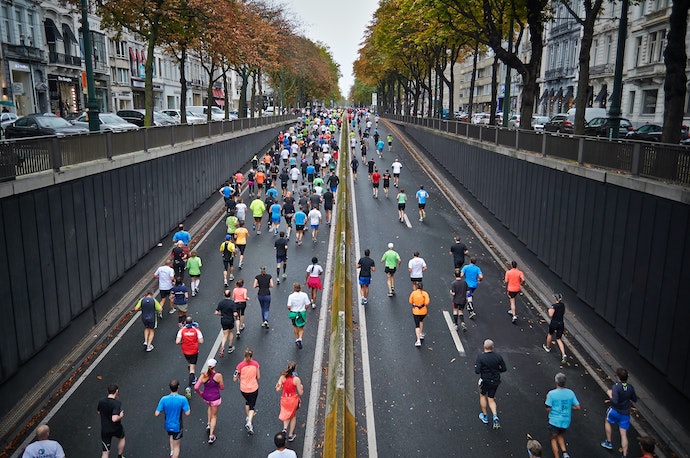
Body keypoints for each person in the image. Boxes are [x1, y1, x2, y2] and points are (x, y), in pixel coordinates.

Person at [601, 368, 638, 457]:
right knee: (623, 434)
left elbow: (615, 401)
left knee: (607, 421)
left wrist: (610, 393)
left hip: (615, 410)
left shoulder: (616, 387)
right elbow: (635, 399)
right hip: (625, 414)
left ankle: (608, 442)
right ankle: (624, 455)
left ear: (617, 377)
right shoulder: (630, 387)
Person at [545, 373, 581, 458]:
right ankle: (565, 453)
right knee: (560, 434)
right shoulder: (570, 393)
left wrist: (547, 399)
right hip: (565, 421)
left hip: (554, 421)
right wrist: (568, 407)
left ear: (556, 382)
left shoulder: (551, 394)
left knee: (553, 438)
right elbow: (578, 407)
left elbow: (547, 408)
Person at [475, 339, 507, 430]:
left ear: (484, 346)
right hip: (495, 380)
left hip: (485, 380)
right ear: (493, 347)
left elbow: (477, 371)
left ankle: (485, 416)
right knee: (491, 399)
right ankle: (495, 416)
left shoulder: (480, 357)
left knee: (482, 396)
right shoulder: (498, 357)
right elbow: (504, 369)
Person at [155, 380, 191, 458]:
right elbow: (187, 413)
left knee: (171, 436)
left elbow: (156, 413)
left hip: (168, 424)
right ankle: (174, 454)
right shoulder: (182, 399)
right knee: (177, 447)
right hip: (177, 426)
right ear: (178, 387)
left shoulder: (163, 399)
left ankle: (171, 452)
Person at [194, 359, 224, 444]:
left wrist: (201, 393)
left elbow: (196, 387)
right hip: (215, 398)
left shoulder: (203, 375)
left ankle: (208, 423)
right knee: (214, 416)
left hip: (206, 398)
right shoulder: (218, 376)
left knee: (209, 407)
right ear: (215, 366)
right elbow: (222, 387)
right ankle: (211, 436)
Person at [276, 361, 305, 443]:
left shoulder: (282, 377)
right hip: (293, 400)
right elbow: (301, 392)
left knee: (286, 414)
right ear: (295, 369)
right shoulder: (296, 379)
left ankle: (285, 429)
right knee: (293, 415)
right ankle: (290, 435)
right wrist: (301, 386)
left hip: (284, 399)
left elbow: (278, 389)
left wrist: (280, 386)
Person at [176, 316, 204, 399]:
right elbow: (201, 341)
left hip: (185, 351)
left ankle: (193, 377)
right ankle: (189, 386)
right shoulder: (196, 330)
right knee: (192, 368)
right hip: (194, 351)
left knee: (189, 363)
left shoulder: (182, 330)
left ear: (185, 322)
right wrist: (195, 340)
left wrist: (183, 341)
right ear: (192, 322)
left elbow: (177, 342)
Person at [234, 348, 260, 435]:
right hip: (253, 388)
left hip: (243, 389)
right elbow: (258, 376)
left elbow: (235, 378)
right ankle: (249, 423)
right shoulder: (256, 364)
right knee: (252, 406)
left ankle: (248, 417)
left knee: (247, 402)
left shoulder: (240, 366)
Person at [98, 384, 125, 458]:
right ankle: (120, 455)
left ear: (107, 391)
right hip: (116, 428)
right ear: (116, 391)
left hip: (105, 429)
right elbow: (114, 418)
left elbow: (99, 412)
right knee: (122, 437)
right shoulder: (116, 403)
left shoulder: (101, 401)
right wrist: (121, 416)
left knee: (105, 452)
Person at [542, 293, 568, 365]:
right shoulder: (563, 305)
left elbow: (550, 314)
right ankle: (563, 354)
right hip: (561, 324)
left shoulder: (554, 306)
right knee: (559, 338)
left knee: (550, 334)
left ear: (555, 299)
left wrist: (549, 309)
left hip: (554, 323)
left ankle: (547, 347)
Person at [287, 282, 311, 349]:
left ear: (294, 288)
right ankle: (300, 338)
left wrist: (291, 309)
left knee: (295, 326)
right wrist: (304, 309)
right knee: (301, 327)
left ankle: (297, 338)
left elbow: (288, 306)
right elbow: (308, 303)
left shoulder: (291, 296)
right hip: (301, 313)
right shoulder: (304, 295)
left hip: (294, 313)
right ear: (300, 288)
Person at [215, 290, 238, 357]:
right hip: (230, 319)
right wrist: (236, 316)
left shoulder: (221, 302)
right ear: (230, 295)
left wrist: (222, 314)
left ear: (224, 294)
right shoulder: (232, 303)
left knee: (225, 334)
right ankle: (230, 347)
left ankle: (222, 347)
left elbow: (216, 312)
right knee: (231, 332)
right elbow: (235, 313)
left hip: (223, 319)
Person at [409, 281, 430, 347]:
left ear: (417, 287)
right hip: (423, 311)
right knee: (421, 321)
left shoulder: (413, 293)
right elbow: (427, 302)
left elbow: (410, 301)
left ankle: (418, 340)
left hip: (416, 311)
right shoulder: (425, 293)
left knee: (417, 325)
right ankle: (420, 333)